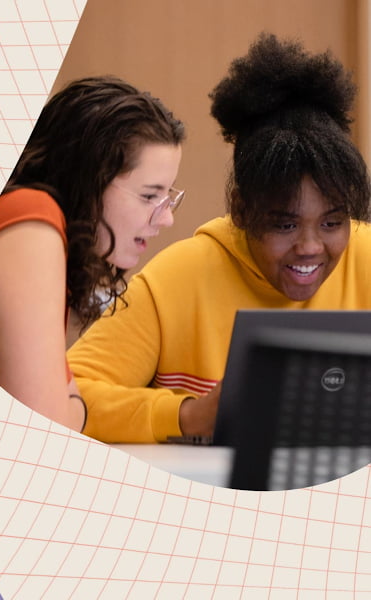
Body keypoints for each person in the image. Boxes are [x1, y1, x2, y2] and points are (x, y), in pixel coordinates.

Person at [68, 33, 371, 444]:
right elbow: (70, 393)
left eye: (332, 223)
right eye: (285, 225)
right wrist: (187, 415)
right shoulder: (178, 278)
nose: (310, 247)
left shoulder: (366, 257)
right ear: (241, 209)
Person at [0, 76, 185, 431]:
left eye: (168, 197)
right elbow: (43, 430)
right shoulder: (32, 223)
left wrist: (71, 404)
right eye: (149, 196)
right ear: (88, 178)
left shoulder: (38, 227)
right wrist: (76, 407)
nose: (167, 219)